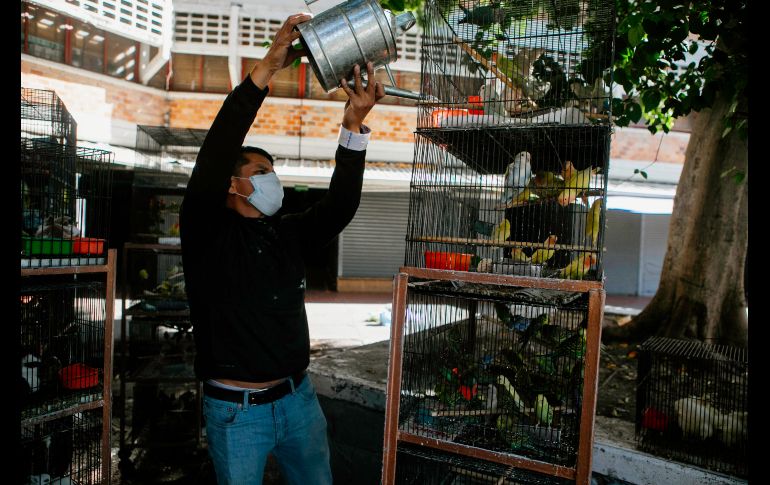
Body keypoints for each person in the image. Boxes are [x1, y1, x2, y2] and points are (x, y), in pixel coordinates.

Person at [179, 12, 385, 485]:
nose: (271, 179)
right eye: (259, 172)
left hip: (299, 403)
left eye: (273, 171)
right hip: (237, 415)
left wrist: (353, 128)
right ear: (232, 186)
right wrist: (265, 71)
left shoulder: (287, 233)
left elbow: (339, 209)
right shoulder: (206, 232)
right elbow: (216, 148)